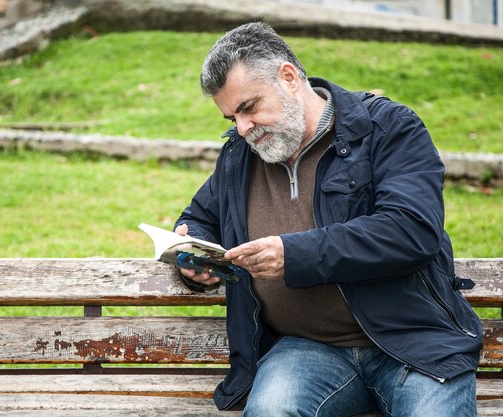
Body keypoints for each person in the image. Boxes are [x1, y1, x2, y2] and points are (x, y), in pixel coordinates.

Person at [174, 22, 482, 416]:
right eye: (231, 117)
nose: (242, 128)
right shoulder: (240, 156)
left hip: (412, 342)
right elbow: (199, 217)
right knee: (270, 411)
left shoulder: (387, 128)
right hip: (305, 349)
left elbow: (411, 230)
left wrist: (294, 254)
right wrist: (193, 254)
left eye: (248, 107)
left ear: (288, 77)